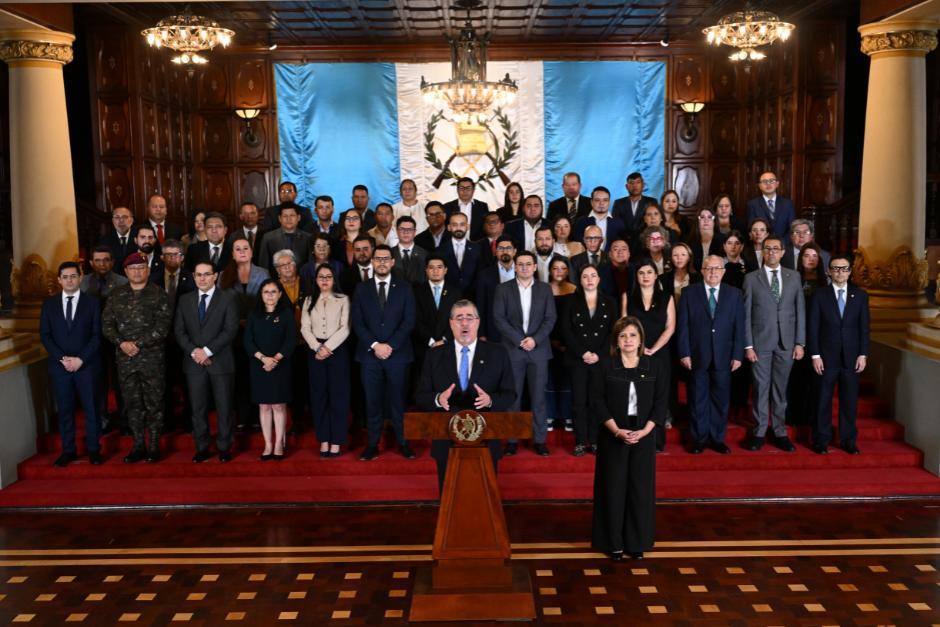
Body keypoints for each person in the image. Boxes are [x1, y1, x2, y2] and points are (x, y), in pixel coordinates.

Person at [415, 299, 517, 490]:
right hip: (446, 439)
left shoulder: (498, 353)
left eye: (469, 318)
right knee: (449, 495)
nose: (464, 323)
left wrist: (491, 400)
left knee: (485, 494)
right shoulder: (434, 355)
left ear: (477, 322)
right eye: (459, 318)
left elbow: (510, 394)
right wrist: (438, 399)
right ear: (451, 323)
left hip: (486, 438)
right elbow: (420, 395)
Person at [591, 316, 667, 561]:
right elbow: (597, 401)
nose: (628, 340)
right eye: (623, 335)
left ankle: (636, 542)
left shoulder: (654, 366)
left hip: (643, 436)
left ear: (641, 339)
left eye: (633, 335)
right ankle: (612, 542)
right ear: (616, 340)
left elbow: (660, 402)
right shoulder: (605, 366)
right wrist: (616, 430)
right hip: (614, 435)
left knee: (639, 490)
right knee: (612, 489)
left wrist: (645, 431)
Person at [102, 252, 172, 463]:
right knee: (132, 404)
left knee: (154, 403)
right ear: (126, 272)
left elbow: (163, 328)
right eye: (133, 269)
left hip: (152, 359)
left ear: (148, 270)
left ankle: (153, 447)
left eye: (141, 268)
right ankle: (138, 445)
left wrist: (138, 344)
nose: (137, 271)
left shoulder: (159, 294)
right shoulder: (116, 295)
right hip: (125, 359)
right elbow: (106, 324)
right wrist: (121, 343)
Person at [351, 245, 417, 461]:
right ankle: (372, 444)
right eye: (377, 259)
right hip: (370, 356)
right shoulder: (362, 289)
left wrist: (390, 346)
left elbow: (409, 321)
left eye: (385, 259)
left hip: (397, 355)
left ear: (392, 262)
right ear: (372, 262)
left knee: (398, 401)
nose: (381, 262)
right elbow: (358, 323)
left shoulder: (405, 288)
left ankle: (403, 442)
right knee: (373, 402)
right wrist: (375, 345)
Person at [677, 256, 746, 454]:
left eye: (717, 268)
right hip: (697, 354)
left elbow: (739, 327)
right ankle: (698, 439)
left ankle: (717, 438)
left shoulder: (734, 294)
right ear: (702, 270)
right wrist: (684, 353)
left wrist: (738, 355)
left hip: (724, 356)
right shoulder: (689, 293)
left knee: (720, 399)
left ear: (723, 271)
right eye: (709, 268)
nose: (713, 272)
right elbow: (683, 326)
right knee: (697, 399)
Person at [743, 236, 806, 452]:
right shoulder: (752, 278)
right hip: (760, 343)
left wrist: (800, 342)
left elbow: (800, 311)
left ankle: (779, 431)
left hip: (787, 343)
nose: (771, 252)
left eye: (775, 249)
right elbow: (746, 314)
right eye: (767, 248)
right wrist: (748, 345)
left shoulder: (794, 277)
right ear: (762, 252)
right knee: (761, 388)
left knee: (780, 389)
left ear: (782, 253)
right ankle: (759, 431)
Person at [493, 250, 557, 456]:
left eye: (528, 264)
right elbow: (499, 319)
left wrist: (534, 339)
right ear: (515, 266)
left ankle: (539, 440)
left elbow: (550, 318)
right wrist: (520, 340)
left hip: (538, 351)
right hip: (513, 350)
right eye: (520, 264)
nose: (524, 267)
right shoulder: (503, 289)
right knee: (514, 397)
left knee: (538, 397)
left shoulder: (545, 289)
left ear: (535, 267)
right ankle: (512, 439)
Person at [174, 261, 240, 463]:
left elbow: (230, 330)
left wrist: (208, 351)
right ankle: (202, 447)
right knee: (198, 408)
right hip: (194, 363)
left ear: (215, 276)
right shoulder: (184, 300)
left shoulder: (228, 298)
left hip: (220, 361)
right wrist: (195, 351)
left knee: (224, 407)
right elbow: (179, 331)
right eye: (198, 274)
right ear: (194, 277)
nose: (202, 278)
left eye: (206, 274)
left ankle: (224, 446)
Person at [40, 262, 103, 467]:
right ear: (59, 280)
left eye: (73, 276)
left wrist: (80, 359)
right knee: (65, 409)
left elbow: (96, 335)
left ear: (80, 277)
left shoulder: (92, 303)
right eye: (65, 277)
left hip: (87, 365)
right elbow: (45, 335)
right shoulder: (49, 304)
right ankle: (68, 450)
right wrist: (63, 359)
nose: (69, 280)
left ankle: (94, 449)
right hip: (60, 367)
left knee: (91, 409)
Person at [808, 256, 870, 455]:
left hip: (852, 358)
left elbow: (864, 328)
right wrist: (815, 355)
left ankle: (848, 440)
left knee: (849, 401)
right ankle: (821, 439)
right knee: (822, 400)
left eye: (844, 269)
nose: (840, 273)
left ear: (850, 271)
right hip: (826, 357)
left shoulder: (860, 296)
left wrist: (863, 354)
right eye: (835, 269)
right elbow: (813, 327)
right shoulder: (819, 295)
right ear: (829, 271)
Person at [561, 263, 616, 456]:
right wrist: (583, 353)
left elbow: (613, 332)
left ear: (599, 279)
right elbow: (566, 331)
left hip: (600, 360)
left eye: (593, 276)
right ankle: (579, 441)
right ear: (580, 280)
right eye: (585, 276)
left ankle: (594, 440)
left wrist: (599, 354)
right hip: (578, 359)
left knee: (596, 400)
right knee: (578, 401)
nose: (590, 279)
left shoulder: (609, 302)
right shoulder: (569, 301)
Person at [218, 236, 269, 433]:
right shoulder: (224, 276)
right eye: (237, 248)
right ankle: (241, 417)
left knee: (256, 375)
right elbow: (220, 307)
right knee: (238, 377)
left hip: (258, 333)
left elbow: (269, 301)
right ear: (232, 253)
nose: (241, 251)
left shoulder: (263, 273)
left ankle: (256, 418)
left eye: (245, 248)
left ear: (251, 251)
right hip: (233, 336)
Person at [301, 264, 352, 457]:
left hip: (337, 350)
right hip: (315, 351)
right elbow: (304, 328)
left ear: (334, 279)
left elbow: (345, 328)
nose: (324, 280)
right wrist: (317, 347)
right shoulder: (308, 300)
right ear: (315, 280)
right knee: (319, 396)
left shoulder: (343, 299)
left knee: (338, 396)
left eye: (328, 277)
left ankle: (337, 440)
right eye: (321, 277)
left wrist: (327, 347)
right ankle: (323, 439)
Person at [627, 260, 676, 452]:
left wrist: (653, 349)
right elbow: (624, 326)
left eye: (649, 272)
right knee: (633, 396)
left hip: (660, 354)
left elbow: (670, 327)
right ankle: (633, 435)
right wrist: (638, 349)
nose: (645, 276)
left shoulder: (667, 297)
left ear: (656, 275)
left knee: (658, 396)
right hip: (632, 353)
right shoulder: (628, 297)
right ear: (636, 276)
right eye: (641, 272)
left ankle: (656, 440)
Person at [245, 279, 296, 461]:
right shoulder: (254, 315)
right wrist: (263, 358)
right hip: (259, 366)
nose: (270, 295)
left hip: (280, 365)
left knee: (278, 405)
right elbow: (248, 341)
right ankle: (267, 444)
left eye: (274, 291)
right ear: (261, 294)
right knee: (265, 406)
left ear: (280, 294)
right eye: (266, 292)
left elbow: (291, 341)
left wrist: (275, 359)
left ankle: (278, 445)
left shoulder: (287, 314)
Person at [80, 245, 128, 433]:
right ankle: (101, 419)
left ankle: (125, 419)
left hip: (118, 339)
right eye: (97, 260)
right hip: (93, 341)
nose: (102, 264)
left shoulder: (123, 282)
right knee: (97, 381)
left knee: (121, 381)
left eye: (106, 260)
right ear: (91, 262)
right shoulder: (83, 283)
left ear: (112, 262)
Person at [150, 239, 196, 432]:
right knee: (163, 382)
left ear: (182, 257)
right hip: (160, 340)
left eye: (176, 254)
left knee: (187, 382)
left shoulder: (192, 278)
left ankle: (188, 420)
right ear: (161, 257)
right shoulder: (153, 279)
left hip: (186, 339)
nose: (172, 258)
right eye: (168, 254)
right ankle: (167, 420)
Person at [785, 241, 828, 427]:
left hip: (818, 338)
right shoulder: (792, 279)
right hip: (795, 337)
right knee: (795, 380)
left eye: (814, 256)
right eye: (806, 255)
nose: (810, 260)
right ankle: (794, 417)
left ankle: (812, 418)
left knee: (815, 381)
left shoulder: (825, 282)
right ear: (800, 258)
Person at [412, 254, 462, 371]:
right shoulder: (416, 291)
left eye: (439, 267)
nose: (435, 271)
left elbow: (458, 319)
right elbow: (414, 319)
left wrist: (444, 340)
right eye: (431, 267)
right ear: (426, 270)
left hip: (449, 346)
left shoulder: (455, 292)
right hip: (423, 347)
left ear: (445, 270)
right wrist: (431, 341)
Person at [546, 257, 575, 431]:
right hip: (546, 340)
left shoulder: (574, 289)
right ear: (549, 270)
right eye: (555, 268)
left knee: (567, 379)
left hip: (569, 342)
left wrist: (567, 342)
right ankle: (549, 415)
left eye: (563, 268)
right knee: (548, 379)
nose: (559, 271)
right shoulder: (542, 289)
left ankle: (567, 416)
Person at [476, 236, 516, 342]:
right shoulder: (484, 275)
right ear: (495, 251)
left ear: (514, 251)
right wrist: (482, 333)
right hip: (493, 330)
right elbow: (481, 305)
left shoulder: (523, 271)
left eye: (508, 248)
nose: (504, 251)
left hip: (518, 329)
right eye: (501, 248)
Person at [258, 204, 311, 272]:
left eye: (292, 215)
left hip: (302, 280)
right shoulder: (268, 238)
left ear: (298, 218)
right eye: (285, 216)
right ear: (279, 218)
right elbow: (263, 266)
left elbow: (310, 264)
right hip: (275, 280)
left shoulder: (308, 238)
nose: (288, 219)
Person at [438, 212, 483, 293]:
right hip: (448, 297)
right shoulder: (440, 250)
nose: (458, 228)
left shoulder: (478, 249)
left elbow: (480, 276)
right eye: (454, 225)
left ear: (467, 226)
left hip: (472, 297)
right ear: (449, 227)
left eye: (462, 224)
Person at [573, 186, 627, 250]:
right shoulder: (581, 222)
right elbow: (577, 246)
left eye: (605, 200)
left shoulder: (618, 223)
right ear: (591, 202)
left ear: (609, 202)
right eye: (597, 200)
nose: (601, 203)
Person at [746, 172, 795, 239]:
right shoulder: (752, 205)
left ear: (777, 184)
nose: (768, 184)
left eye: (771, 181)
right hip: (762, 246)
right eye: (764, 181)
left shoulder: (787, 204)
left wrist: (781, 244)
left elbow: (792, 228)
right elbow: (751, 229)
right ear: (759, 186)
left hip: (784, 246)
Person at [686, 207, 727, 272]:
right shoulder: (690, 241)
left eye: (710, 217)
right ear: (697, 222)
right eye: (702, 217)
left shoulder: (723, 240)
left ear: (714, 222)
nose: (706, 220)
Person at [99, 206, 138, 274]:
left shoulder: (140, 236)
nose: (121, 220)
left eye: (125, 217)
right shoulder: (105, 240)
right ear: (112, 221)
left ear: (132, 220)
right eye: (117, 217)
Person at [599, 238, 633, 311]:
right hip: (608, 310)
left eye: (624, 249)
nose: (620, 252)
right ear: (610, 254)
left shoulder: (637, 270)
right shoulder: (600, 272)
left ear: (629, 254)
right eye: (615, 249)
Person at [391, 216, 427, 283]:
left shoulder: (424, 254)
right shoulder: (390, 253)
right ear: (397, 231)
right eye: (402, 229)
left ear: (415, 232)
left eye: (410, 229)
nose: (406, 232)